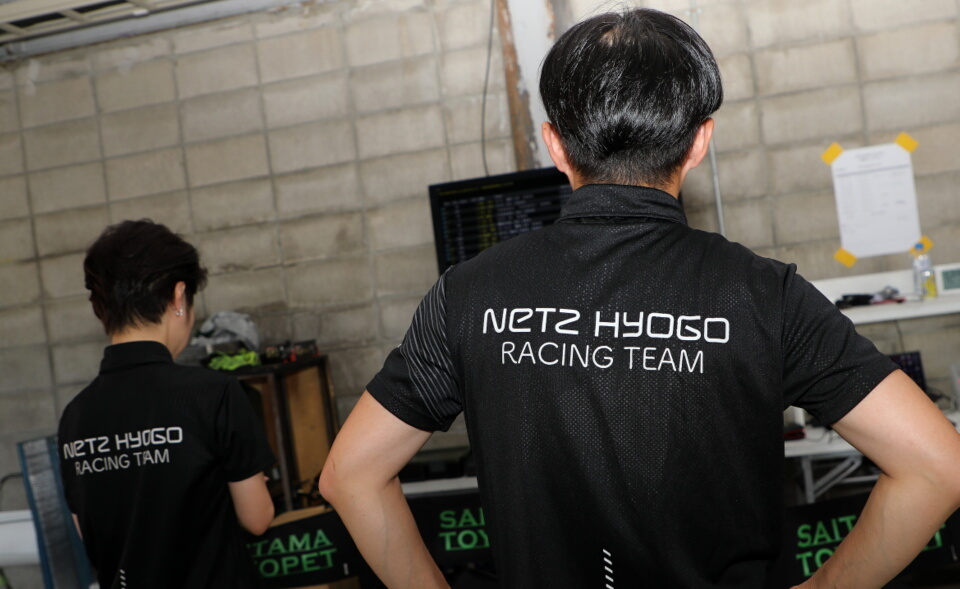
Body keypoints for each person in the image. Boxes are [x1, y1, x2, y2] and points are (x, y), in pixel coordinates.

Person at [319, 8, 960, 588]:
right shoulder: (765, 296)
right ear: (700, 142)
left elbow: (349, 477)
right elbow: (937, 468)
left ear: (555, 145)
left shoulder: (468, 296)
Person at [58, 219, 276, 588]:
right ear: (178, 296)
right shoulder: (214, 393)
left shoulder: (74, 416)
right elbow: (258, 518)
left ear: (101, 308)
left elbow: (92, 539)